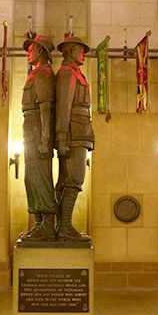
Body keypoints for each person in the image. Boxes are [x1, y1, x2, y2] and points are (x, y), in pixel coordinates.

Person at [54, 35, 94, 242]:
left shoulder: (77, 74)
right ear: (69, 51)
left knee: (69, 181)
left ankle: (62, 226)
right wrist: (61, 137)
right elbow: (63, 106)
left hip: (80, 133)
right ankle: (65, 227)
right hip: (73, 134)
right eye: (80, 50)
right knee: (74, 179)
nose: (83, 54)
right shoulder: (67, 73)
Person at [21, 35, 57, 240]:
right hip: (29, 127)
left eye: (32, 48)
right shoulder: (34, 74)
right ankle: (39, 222)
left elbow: (45, 109)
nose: (28, 52)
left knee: (40, 177)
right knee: (30, 178)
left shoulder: (44, 74)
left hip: (37, 129)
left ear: (42, 51)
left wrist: (45, 139)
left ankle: (48, 224)